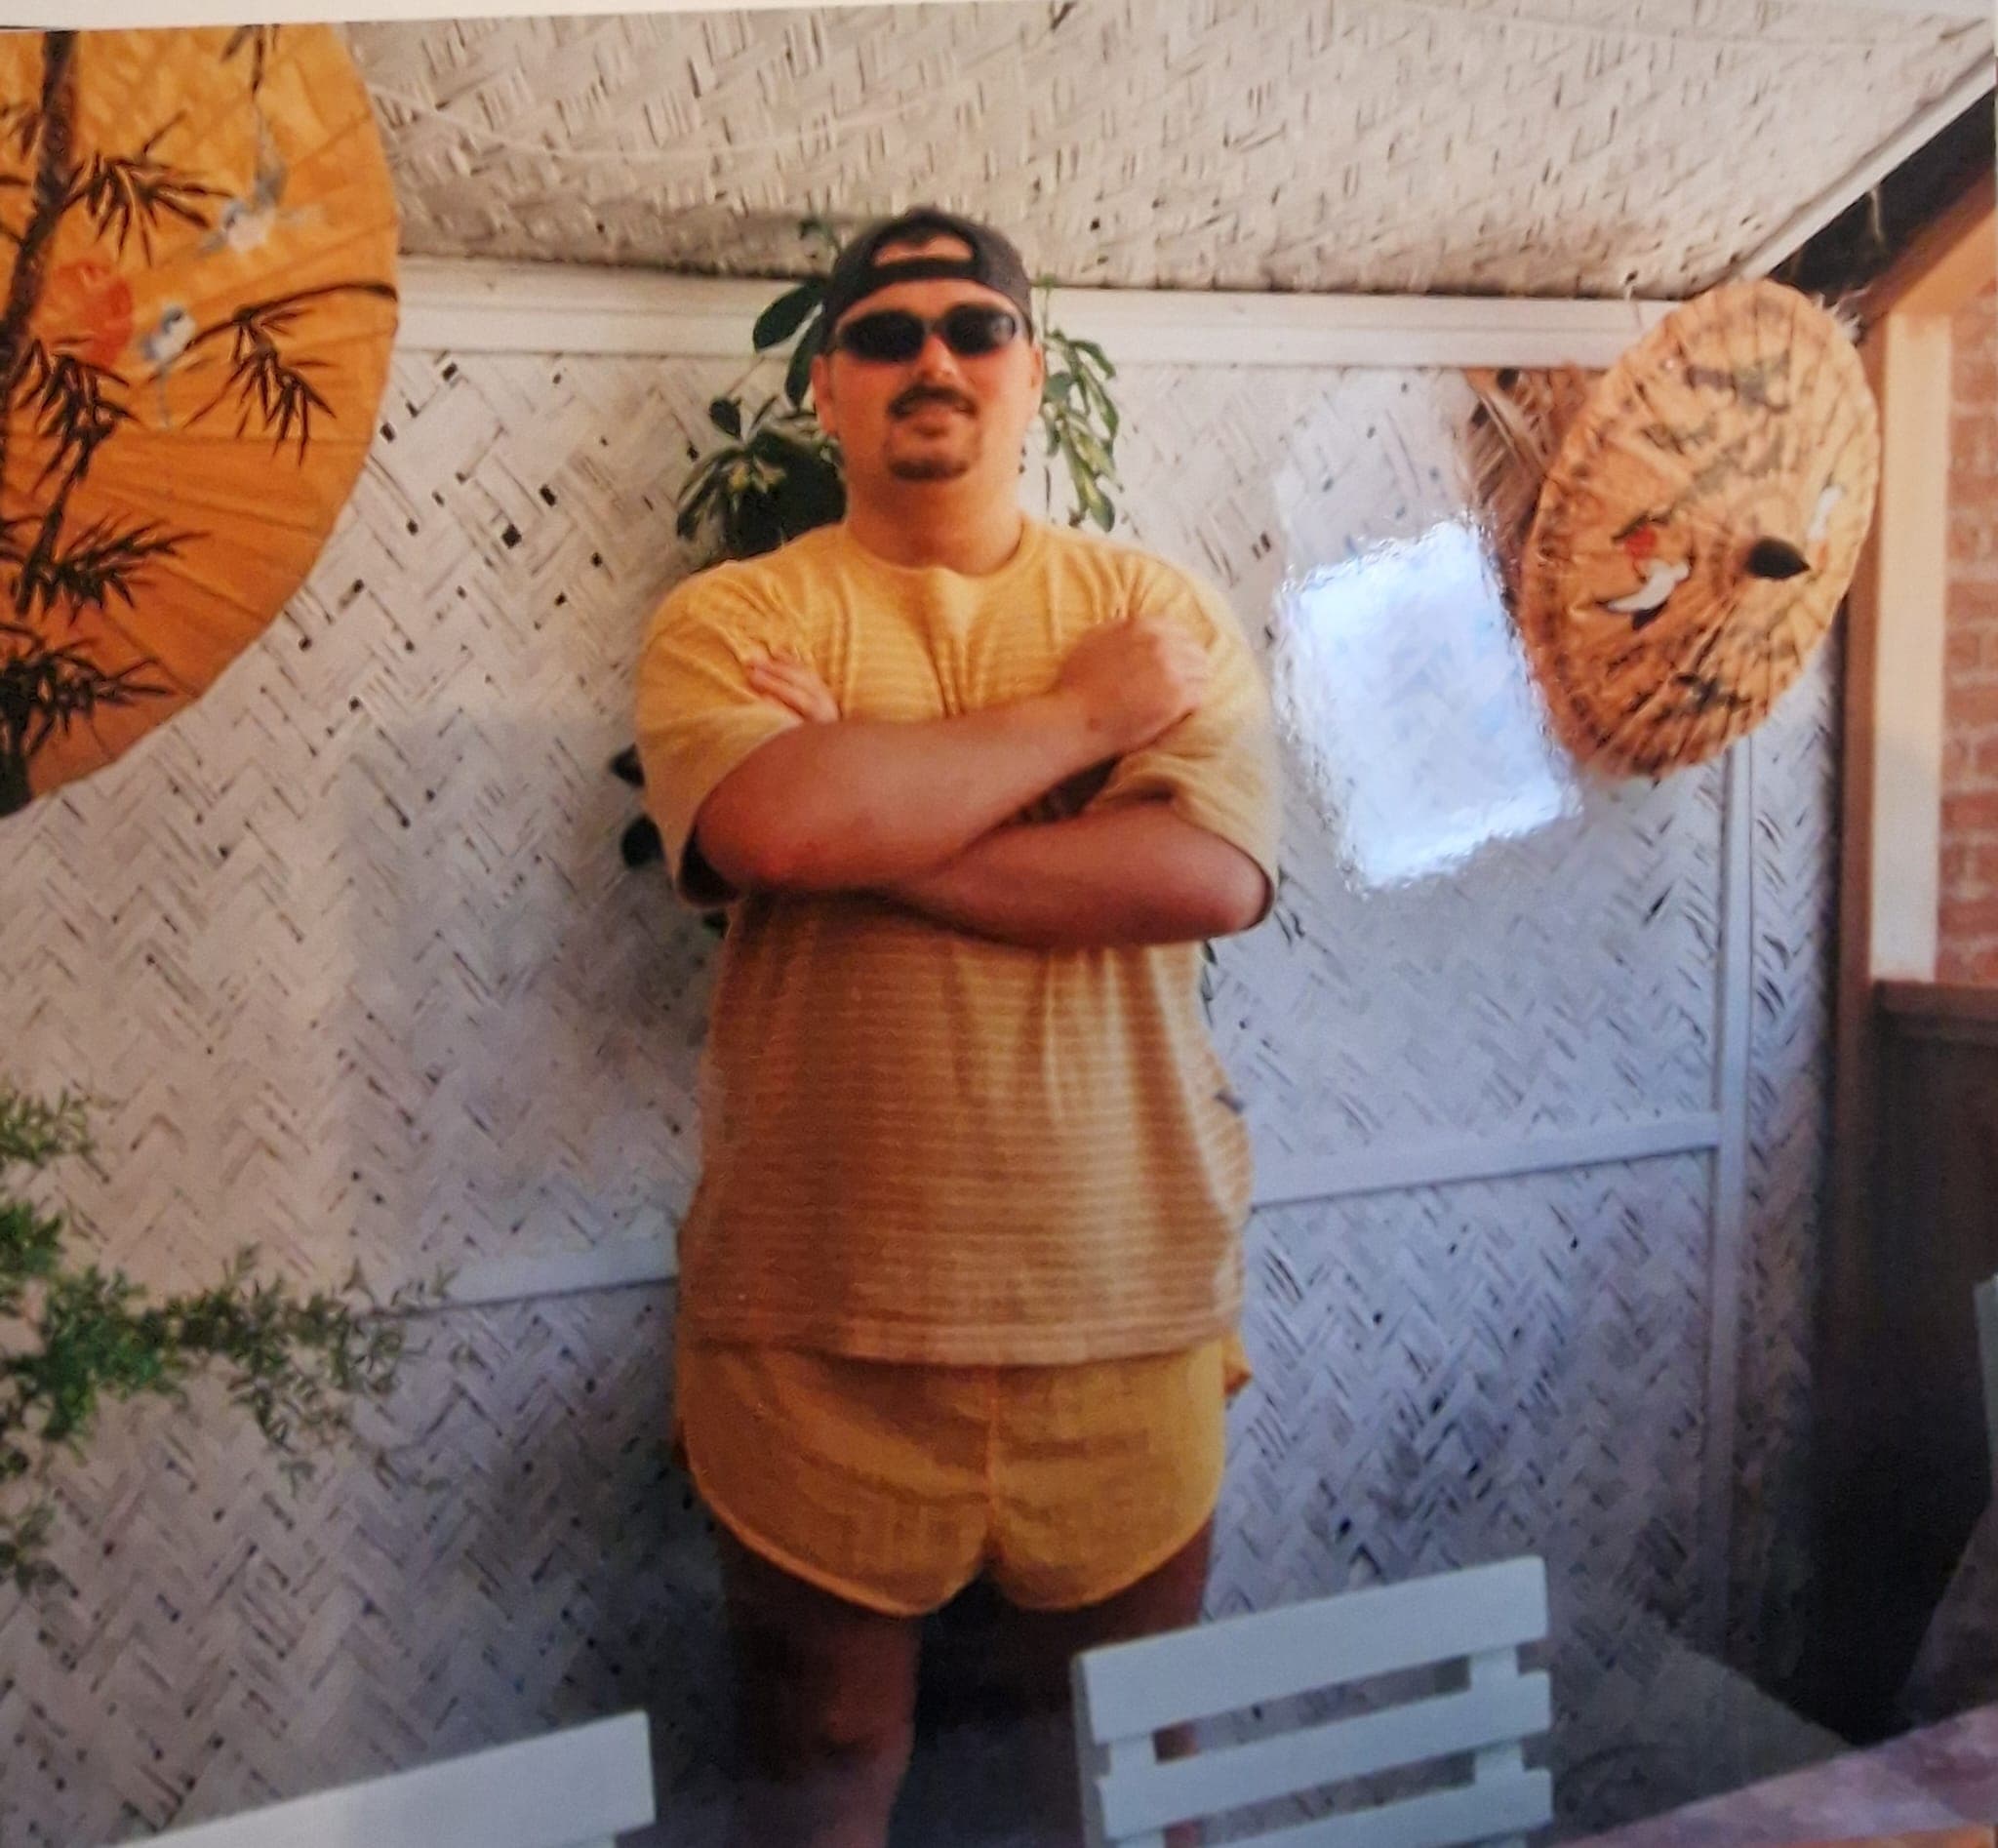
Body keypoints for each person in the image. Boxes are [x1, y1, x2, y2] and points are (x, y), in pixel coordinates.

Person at [633, 205, 1281, 1848]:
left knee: (1133, 1775)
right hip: (816, 1315)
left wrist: (873, 819)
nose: (934, 355)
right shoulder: (729, 623)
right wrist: (1074, 729)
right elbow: (768, 830)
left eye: (975, 326)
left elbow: (1199, 873)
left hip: (1123, 1302)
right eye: (885, 333)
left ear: (1031, 373)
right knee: (822, 1766)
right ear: (828, 393)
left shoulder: (1156, 612)